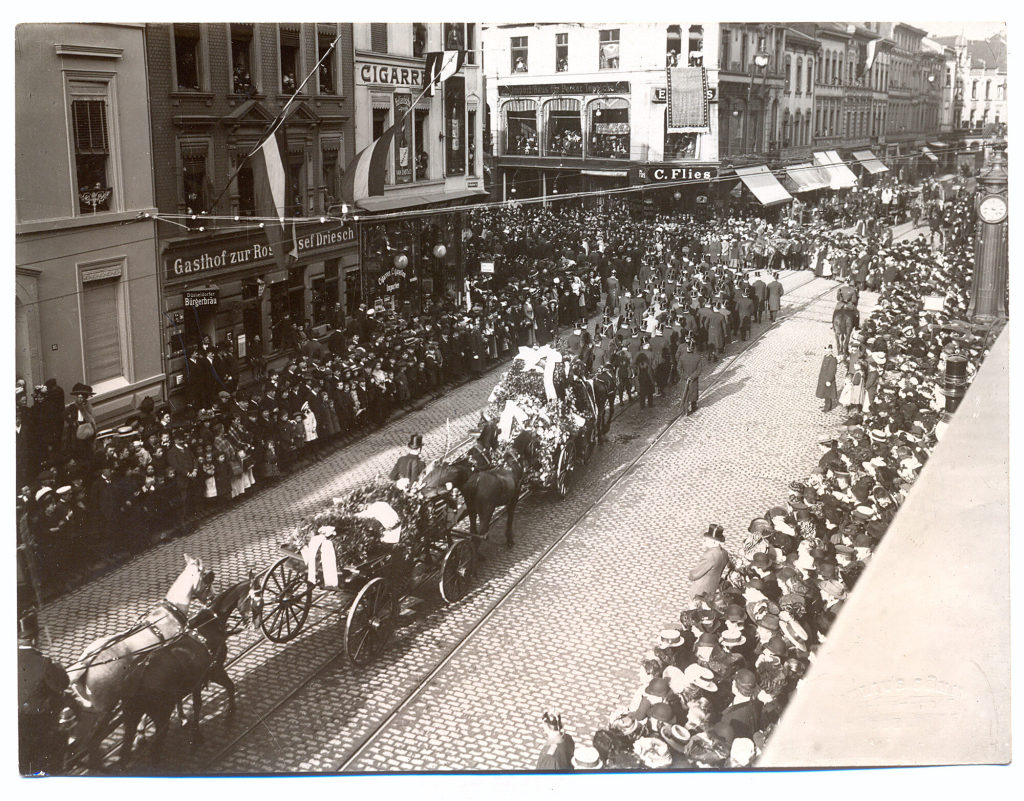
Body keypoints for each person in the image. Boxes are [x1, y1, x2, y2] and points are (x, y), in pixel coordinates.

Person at [18, 607, 68, 775]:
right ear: (33, 641)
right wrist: (58, 668)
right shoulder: (44, 663)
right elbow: (62, 685)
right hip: (38, 720)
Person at [688, 524, 730, 604]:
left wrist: (690, 574)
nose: (705, 541)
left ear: (714, 541)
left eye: (707, 540)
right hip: (712, 588)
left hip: (700, 590)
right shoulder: (724, 553)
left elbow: (694, 575)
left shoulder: (709, 556)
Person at [678, 335, 703, 416]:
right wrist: (692, 377)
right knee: (693, 392)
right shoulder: (698, 357)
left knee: (686, 393)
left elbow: (679, 369)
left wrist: (685, 376)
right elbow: (699, 370)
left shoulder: (682, 357)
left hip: (685, 379)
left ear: (687, 348)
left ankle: (685, 409)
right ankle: (693, 406)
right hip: (693, 379)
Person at [816, 345, 839, 412]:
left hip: (828, 379)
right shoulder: (825, 357)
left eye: (827, 349)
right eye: (825, 349)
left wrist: (829, 380)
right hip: (823, 378)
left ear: (830, 350)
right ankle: (826, 405)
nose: (825, 351)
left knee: (828, 394)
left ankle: (828, 407)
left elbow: (832, 371)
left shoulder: (832, 359)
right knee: (825, 393)